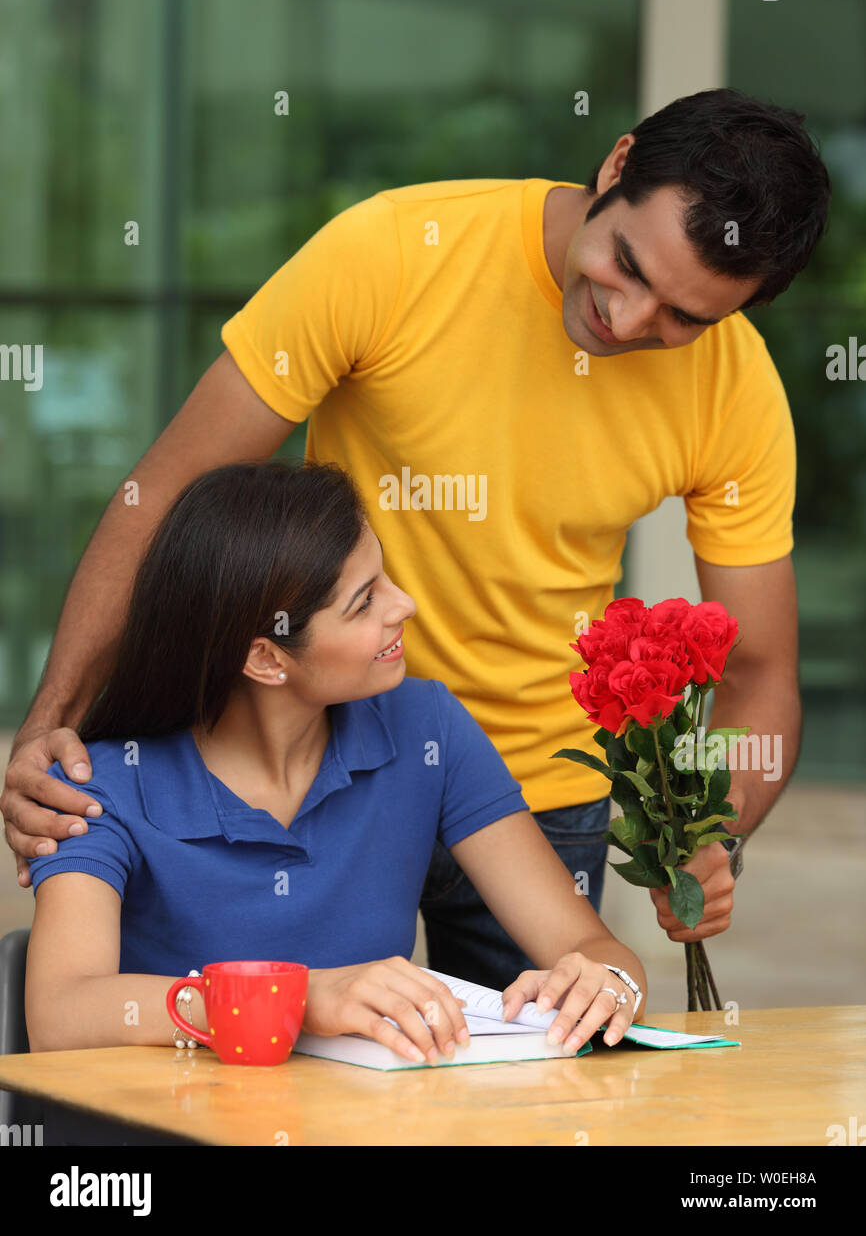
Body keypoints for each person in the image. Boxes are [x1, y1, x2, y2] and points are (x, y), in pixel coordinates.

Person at [3, 88, 827, 990]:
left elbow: (758, 672)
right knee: (283, 1067)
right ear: (617, 166)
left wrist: (712, 833)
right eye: (626, 264)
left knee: (531, 1108)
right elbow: (162, 498)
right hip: (325, 765)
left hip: (536, 797)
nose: (626, 322)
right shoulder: (393, 254)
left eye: (683, 318)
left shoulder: (733, 387)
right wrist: (54, 719)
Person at [24, 461, 646, 1062]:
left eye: (386, 578)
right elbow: (60, 1013)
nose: (404, 606)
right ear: (266, 659)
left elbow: (592, 946)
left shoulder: (426, 727)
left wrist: (608, 985)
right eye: (364, 602)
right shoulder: (97, 782)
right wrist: (293, 1000)